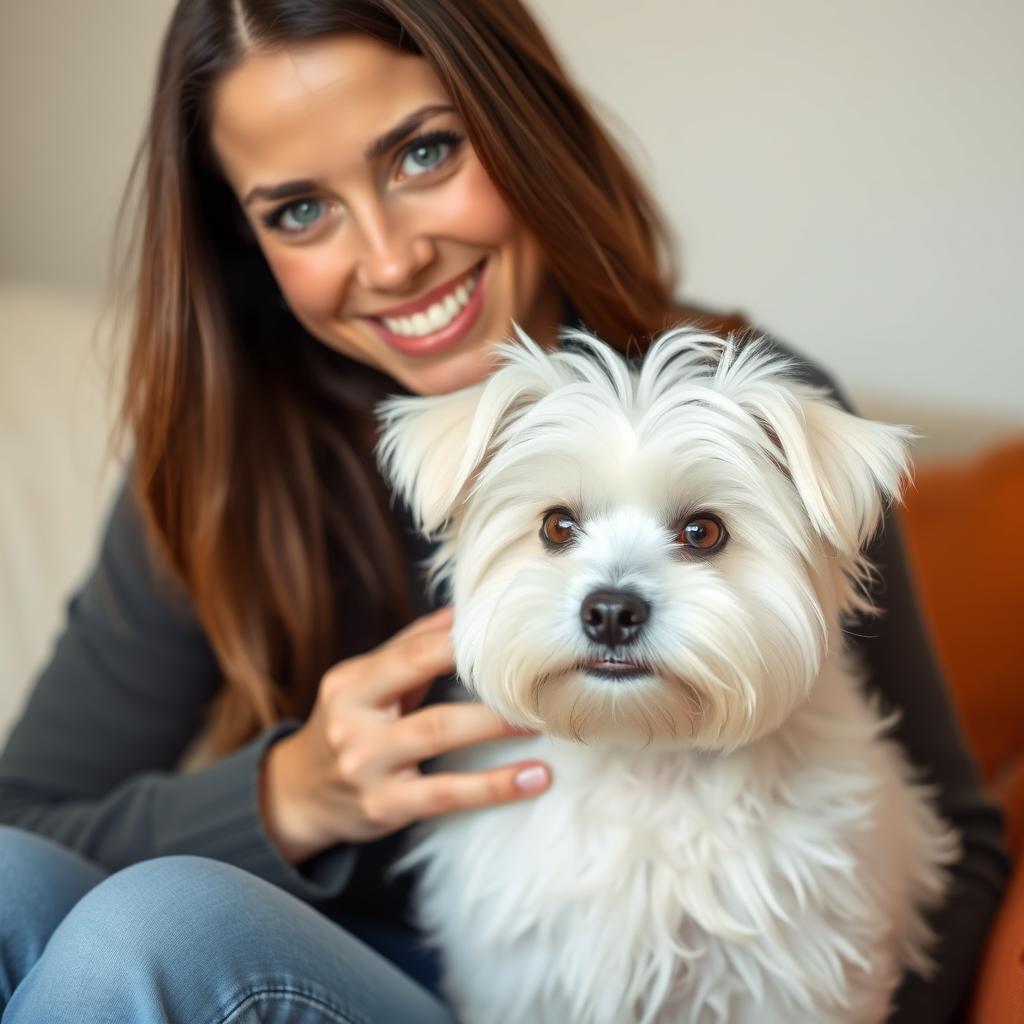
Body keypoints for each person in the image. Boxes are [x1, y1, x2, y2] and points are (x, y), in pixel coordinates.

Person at [0, 1, 1008, 1021]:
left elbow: (947, 841)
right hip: (353, 964)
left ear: (519, 123)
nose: (392, 260)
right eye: (299, 210)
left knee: (158, 925)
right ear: (245, 242)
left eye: (425, 153)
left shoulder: (751, 413)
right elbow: (23, 821)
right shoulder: (223, 460)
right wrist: (286, 796)